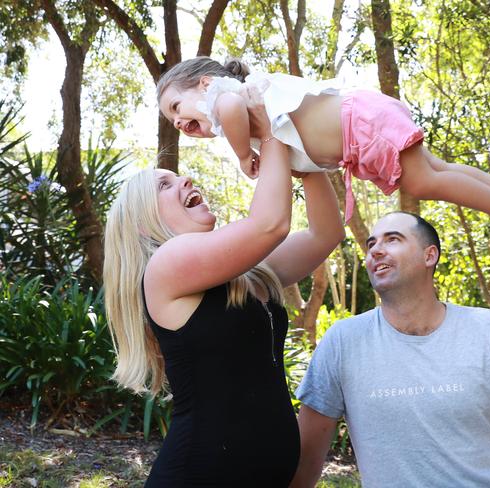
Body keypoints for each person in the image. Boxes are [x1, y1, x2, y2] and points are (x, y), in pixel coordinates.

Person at [102, 86, 345, 487]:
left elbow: (325, 234)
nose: (184, 180)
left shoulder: (246, 276)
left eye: (178, 176)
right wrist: (270, 135)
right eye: (165, 185)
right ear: (145, 225)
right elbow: (270, 224)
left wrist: (302, 155)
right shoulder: (166, 267)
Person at [290, 212, 490, 488]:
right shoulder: (343, 341)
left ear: (429, 255)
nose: (375, 251)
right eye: (371, 245)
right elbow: (305, 459)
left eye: (392, 239)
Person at [155, 56, 490, 265]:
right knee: (436, 170)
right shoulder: (248, 110)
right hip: (360, 125)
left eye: (176, 106)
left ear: (204, 83)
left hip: (359, 125)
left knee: (422, 182)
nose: (177, 121)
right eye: (170, 120)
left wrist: (243, 155)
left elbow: (230, 110)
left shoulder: (226, 95)